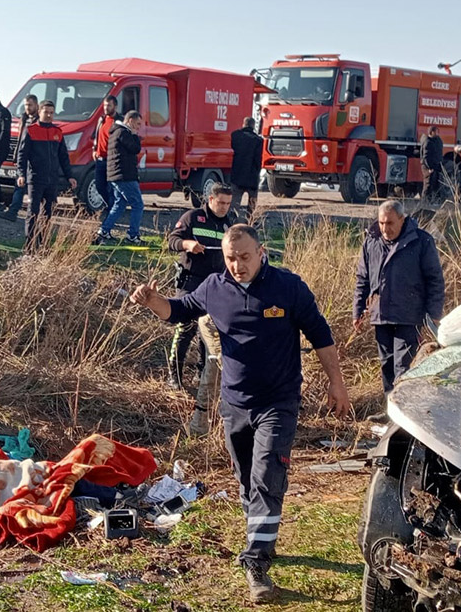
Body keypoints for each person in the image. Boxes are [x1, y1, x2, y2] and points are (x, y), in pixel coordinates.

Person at [130, 224, 350, 604]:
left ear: (261, 252)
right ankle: (261, 537)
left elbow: (320, 335)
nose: (237, 265)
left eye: (245, 257)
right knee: (247, 480)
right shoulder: (215, 287)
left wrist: (337, 383)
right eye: (231, 258)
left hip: (279, 401)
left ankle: (256, 561)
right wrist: (152, 300)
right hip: (234, 403)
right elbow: (179, 311)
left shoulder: (288, 287)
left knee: (268, 474)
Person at [353, 201, 445, 398]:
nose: (385, 229)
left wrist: (434, 314)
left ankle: (402, 412)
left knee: (403, 365)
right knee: (386, 364)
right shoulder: (371, 242)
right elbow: (363, 278)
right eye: (381, 223)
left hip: (409, 315)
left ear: (402, 220)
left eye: (390, 223)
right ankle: (390, 411)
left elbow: (435, 280)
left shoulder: (421, 241)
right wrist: (358, 310)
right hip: (381, 314)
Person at [166, 183, 233, 397]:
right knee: (186, 328)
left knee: (210, 330)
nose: (224, 207)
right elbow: (172, 240)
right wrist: (187, 244)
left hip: (215, 285)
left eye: (228, 204)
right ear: (210, 200)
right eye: (221, 202)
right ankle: (174, 376)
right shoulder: (193, 217)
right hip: (190, 282)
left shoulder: (229, 226)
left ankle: (202, 373)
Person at [14, 100, 76, 251]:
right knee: (33, 212)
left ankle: (44, 244)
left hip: (52, 179)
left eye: (51, 113)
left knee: (48, 213)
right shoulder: (30, 130)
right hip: (35, 178)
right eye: (46, 112)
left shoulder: (57, 132)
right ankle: (29, 247)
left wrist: (70, 176)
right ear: (40, 112)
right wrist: (21, 174)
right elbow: (22, 155)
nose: (48, 115)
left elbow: (63, 157)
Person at [95, 110, 144, 245]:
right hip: (124, 175)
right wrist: (135, 135)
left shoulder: (116, 132)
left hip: (116, 175)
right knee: (138, 204)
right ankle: (132, 235)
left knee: (120, 204)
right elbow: (135, 149)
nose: (139, 127)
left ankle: (104, 230)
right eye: (138, 124)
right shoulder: (123, 133)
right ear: (130, 121)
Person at [0, 94, 39, 222]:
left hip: (33, 160)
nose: (27, 108)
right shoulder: (23, 118)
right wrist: (16, 156)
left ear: (36, 106)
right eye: (26, 105)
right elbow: (19, 140)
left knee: (29, 189)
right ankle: (13, 211)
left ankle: (28, 214)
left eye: (30, 105)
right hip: (22, 157)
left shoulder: (38, 121)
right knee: (19, 185)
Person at [92, 95, 123, 216]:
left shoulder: (120, 121)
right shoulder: (101, 120)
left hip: (112, 160)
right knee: (99, 186)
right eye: (104, 105)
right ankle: (111, 207)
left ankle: (112, 213)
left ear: (115, 106)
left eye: (109, 105)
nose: (106, 108)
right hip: (100, 159)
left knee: (112, 188)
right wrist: (94, 149)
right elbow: (97, 136)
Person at [229, 117, 263, 221]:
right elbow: (258, 159)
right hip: (251, 177)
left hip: (237, 174)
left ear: (243, 124)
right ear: (253, 126)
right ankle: (249, 222)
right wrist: (257, 172)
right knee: (251, 204)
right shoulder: (258, 140)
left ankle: (232, 221)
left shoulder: (234, 135)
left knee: (234, 202)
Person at [420, 125, 445, 202]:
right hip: (429, 166)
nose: (438, 133)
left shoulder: (437, 140)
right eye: (436, 132)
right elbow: (426, 157)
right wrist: (429, 168)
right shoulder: (427, 142)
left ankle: (434, 200)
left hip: (437, 165)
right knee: (428, 184)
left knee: (436, 183)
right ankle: (425, 200)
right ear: (432, 132)